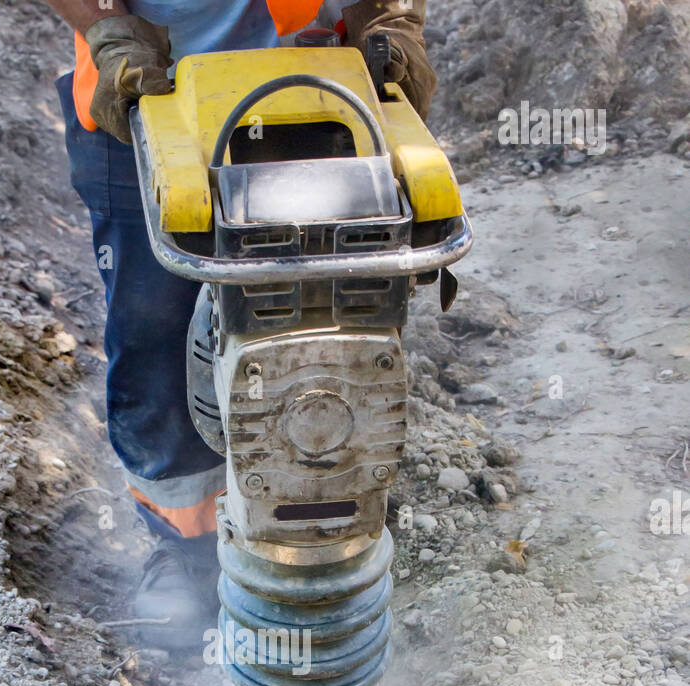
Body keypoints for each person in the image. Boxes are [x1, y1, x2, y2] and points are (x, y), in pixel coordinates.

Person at [44, 1, 435, 646]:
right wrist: (106, 28)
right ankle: (185, 544)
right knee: (152, 330)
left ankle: (336, 530)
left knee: (343, 314)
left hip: (320, 84)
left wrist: (391, 17)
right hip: (150, 85)